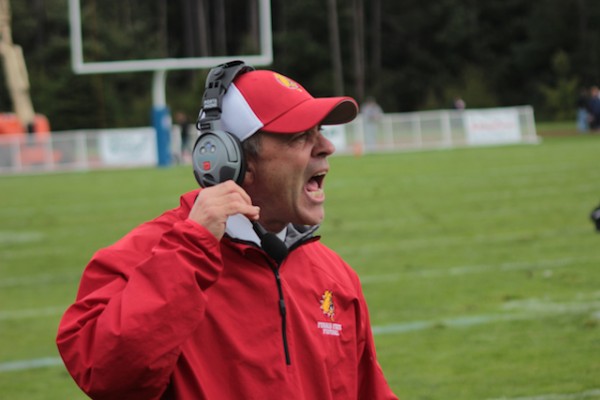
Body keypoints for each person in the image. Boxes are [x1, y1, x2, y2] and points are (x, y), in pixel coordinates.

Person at [56, 65, 398, 399]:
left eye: (320, 130)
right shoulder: (146, 256)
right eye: (299, 136)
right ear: (233, 160)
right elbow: (106, 376)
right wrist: (190, 250)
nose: (326, 146)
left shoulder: (336, 277)